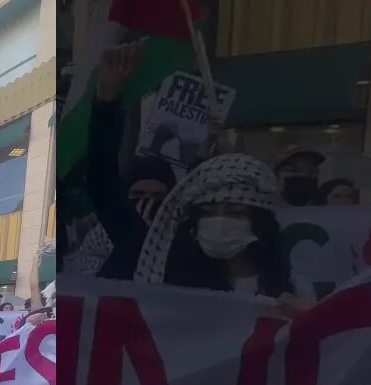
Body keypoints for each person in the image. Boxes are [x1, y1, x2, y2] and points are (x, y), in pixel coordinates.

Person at [131, 153, 316, 313]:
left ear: (260, 220)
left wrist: (303, 321)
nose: (220, 221)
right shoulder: (167, 284)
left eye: (236, 212)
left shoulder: (297, 288)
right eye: (208, 212)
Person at [86, 41, 179, 281]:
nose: (146, 205)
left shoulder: (189, 245)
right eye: (137, 196)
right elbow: (101, 175)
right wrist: (107, 101)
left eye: (158, 199)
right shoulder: (127, 236)